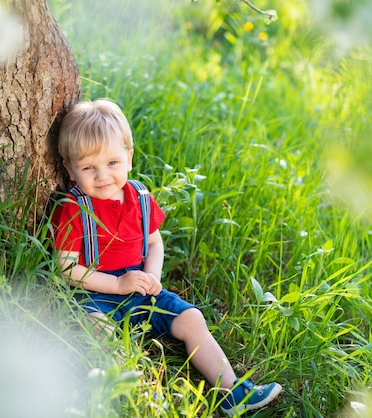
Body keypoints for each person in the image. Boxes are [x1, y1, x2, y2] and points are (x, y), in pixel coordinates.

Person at [51, 99, 282, 416]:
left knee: (192, 318)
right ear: (70, 169)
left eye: (113, 163)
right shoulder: (73, 208)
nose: (103, 175)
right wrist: (117, 285)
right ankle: (128, 395)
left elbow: (154, 242)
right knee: (100, 332)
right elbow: (66, 268)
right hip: (96, 292)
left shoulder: (141, 198)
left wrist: (153, 277)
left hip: (141, 284)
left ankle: (231, 390)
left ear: (129, 157)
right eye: (89, 167)